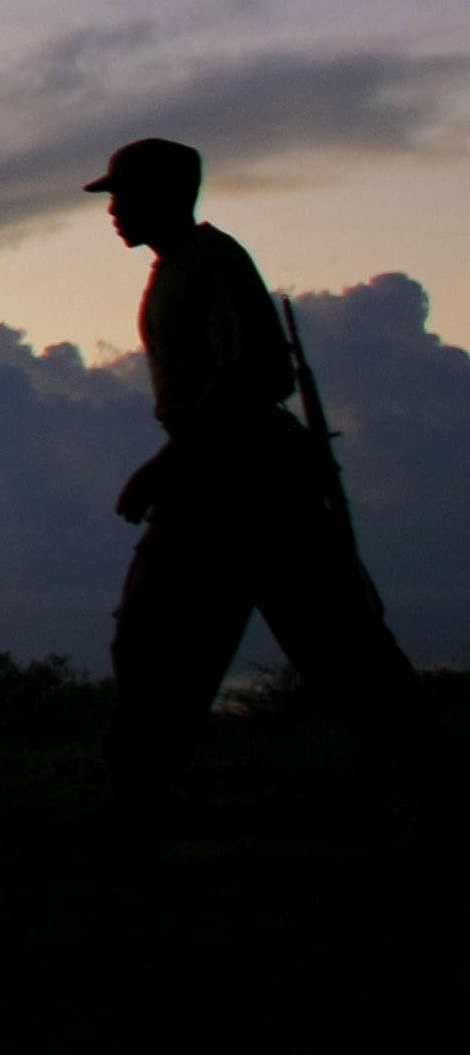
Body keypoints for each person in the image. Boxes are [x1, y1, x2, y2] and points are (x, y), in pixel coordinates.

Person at [93, 137, 434, 797]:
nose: (114, 211)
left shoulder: (210, 263)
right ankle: (138, 801)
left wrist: (169, 462)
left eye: (125, 195)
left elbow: (259, 371)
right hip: (229, 487)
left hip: (247, 490)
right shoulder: (184, 267)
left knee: (330, 655)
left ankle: (135, 806)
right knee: (166, 650)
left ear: (165, 197)